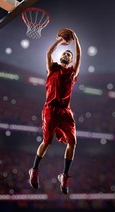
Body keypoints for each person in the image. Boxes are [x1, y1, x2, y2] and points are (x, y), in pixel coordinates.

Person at [29, 29, 81, 195]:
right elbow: (49, 52)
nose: (67, 53)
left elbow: (79, 54)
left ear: (71, 60)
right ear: (60, 57)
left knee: (73, 143)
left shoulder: (72, 73)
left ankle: (64, 176)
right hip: (50, 110)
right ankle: (34, 170)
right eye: (65, 52)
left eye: (69, 53)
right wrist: (60, 41)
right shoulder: (52, 68)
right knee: (46, 142)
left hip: (65, 112)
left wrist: (75, 38)